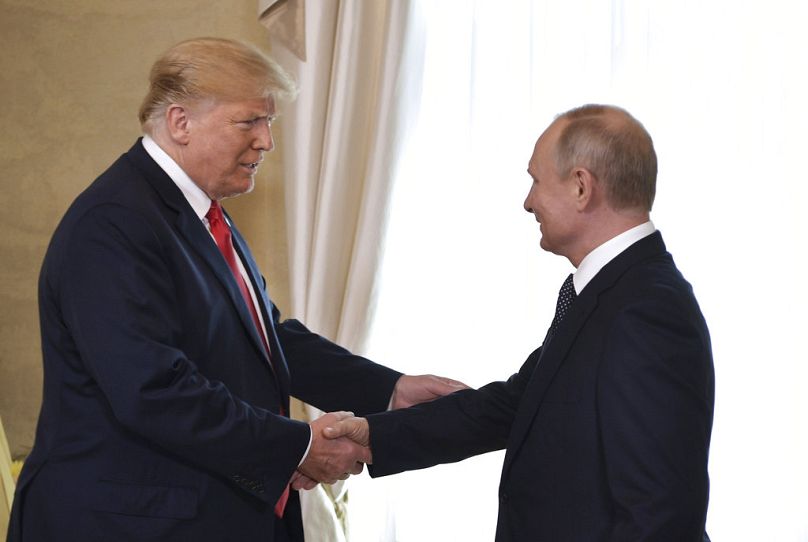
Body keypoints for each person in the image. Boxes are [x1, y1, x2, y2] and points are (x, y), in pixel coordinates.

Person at [7, 37, 466, 542]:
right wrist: (297, 446)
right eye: (250, 121)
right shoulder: (113, 222)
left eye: (269, 123)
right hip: (127, 522)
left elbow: (265, 339)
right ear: (181, 122)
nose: (266, 142)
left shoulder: (199, 213)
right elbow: (153, 390)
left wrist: (388, 390)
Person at [326, 105, 715, 541]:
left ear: (581, 187)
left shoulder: (647, 310)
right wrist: (371, 435)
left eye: (536, 180)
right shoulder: (614, 290)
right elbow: (515, 405)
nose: (528, 201)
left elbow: (661, 515)